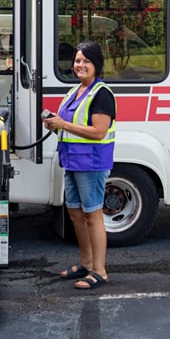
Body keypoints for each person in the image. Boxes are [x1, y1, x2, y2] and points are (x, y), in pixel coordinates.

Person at [42, 41, 116, 290]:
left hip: (91, 163)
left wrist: (63, 124)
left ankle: (100, 270)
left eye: (86, 61)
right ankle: (85, 263)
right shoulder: (73, 92)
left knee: (93, 216)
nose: (80, 65)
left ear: (96, 64)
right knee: (75, 214)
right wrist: (54, 124)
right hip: (72, 161)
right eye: (77, 61)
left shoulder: (102, 93)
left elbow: (98, 132)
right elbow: (69, 127)